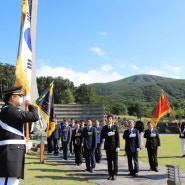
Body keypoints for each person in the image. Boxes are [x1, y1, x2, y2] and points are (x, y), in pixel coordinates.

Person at [0, 86, 39, 185]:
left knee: (12, 181)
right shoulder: (9, 110)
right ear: (12, 97)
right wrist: (29, 104)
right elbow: (34, 116)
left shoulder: (9, 110)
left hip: (13, 151)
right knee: (8, 182)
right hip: (10, 153)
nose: (21, 98)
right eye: (19, 96)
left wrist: (23, 141)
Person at [101, 114, 120, 181]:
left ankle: (115, 174)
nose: (109, 120)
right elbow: (102, 136)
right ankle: (110, 174)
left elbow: (117, 138)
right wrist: (107, 134)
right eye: (108, 119)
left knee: (115, 161)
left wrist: (118, 146)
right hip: (108, 147)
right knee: (109, 161)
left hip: (114, 147)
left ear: (112, 120)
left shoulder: (115, 127)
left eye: (110, 119)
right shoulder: (104, 128)